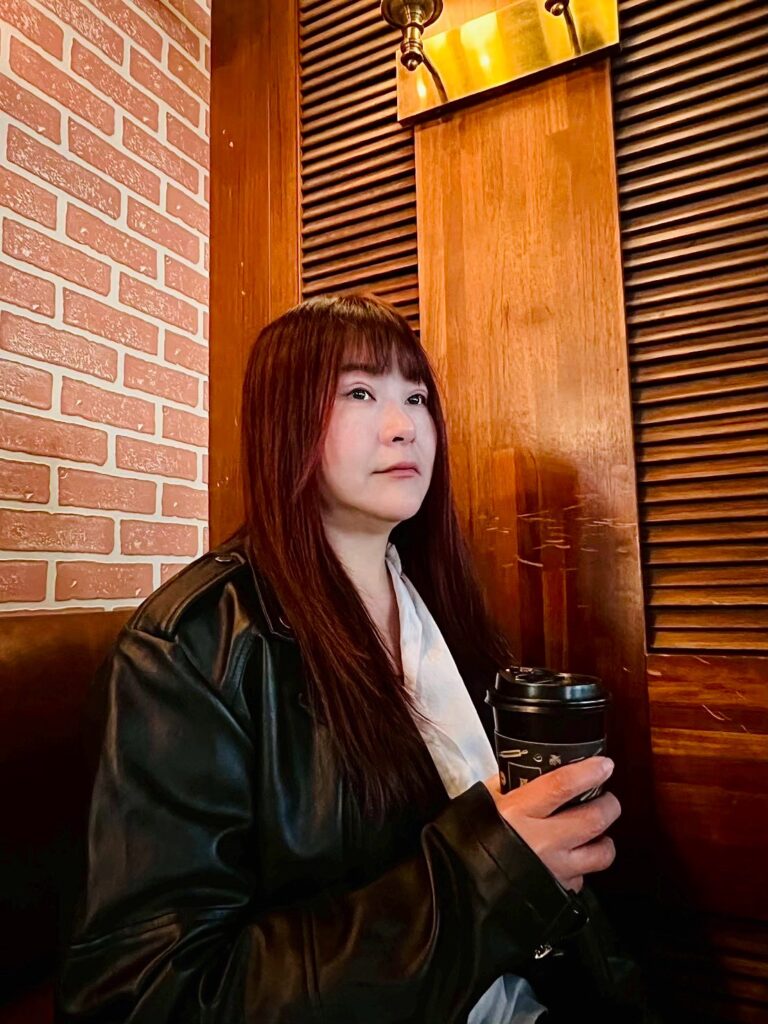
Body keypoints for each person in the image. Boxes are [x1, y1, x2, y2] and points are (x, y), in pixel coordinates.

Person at [56, 294, 626, 1023]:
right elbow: (148, 996)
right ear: (284, 422)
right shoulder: (190, 648)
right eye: (360, 393)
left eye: (416, 398)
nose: (404, 426)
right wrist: (485, 879)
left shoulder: (439, 606)